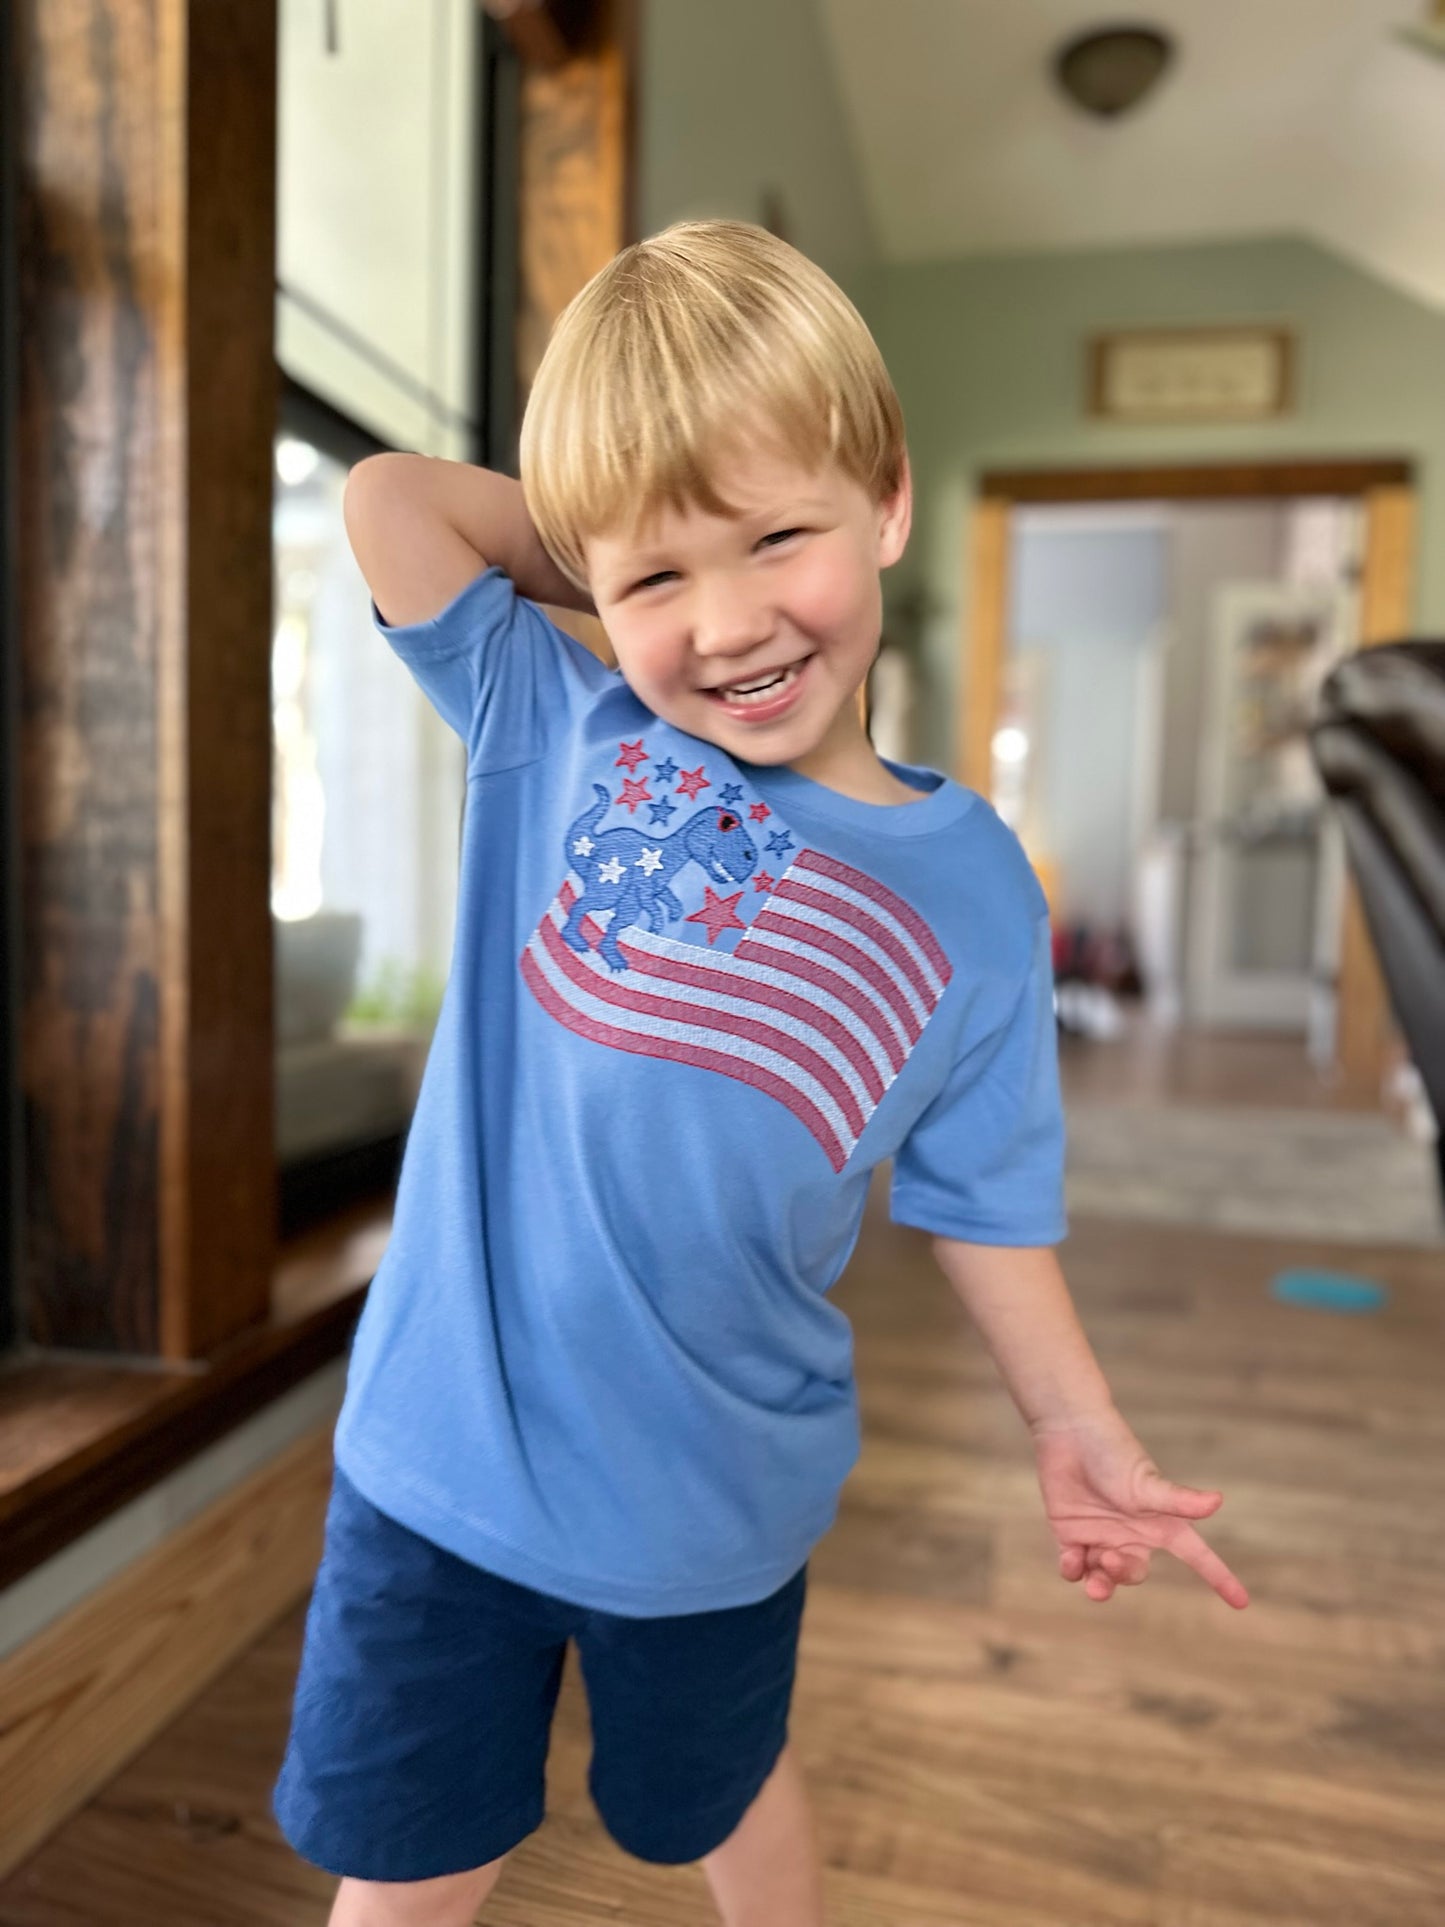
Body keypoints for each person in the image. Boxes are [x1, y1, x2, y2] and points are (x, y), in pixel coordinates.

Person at [273, 220, 1248, 1927]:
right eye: (660, 580)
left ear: (885, 503)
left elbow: (984, 1199)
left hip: (713, 1503)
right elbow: (392, 506)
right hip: (439, 1466)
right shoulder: (560, 723)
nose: (726, 625)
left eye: (776, 540)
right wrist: (616, 567)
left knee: (713, 1797)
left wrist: (1074, 1425)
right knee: (411, 1867)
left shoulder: (974, 896)